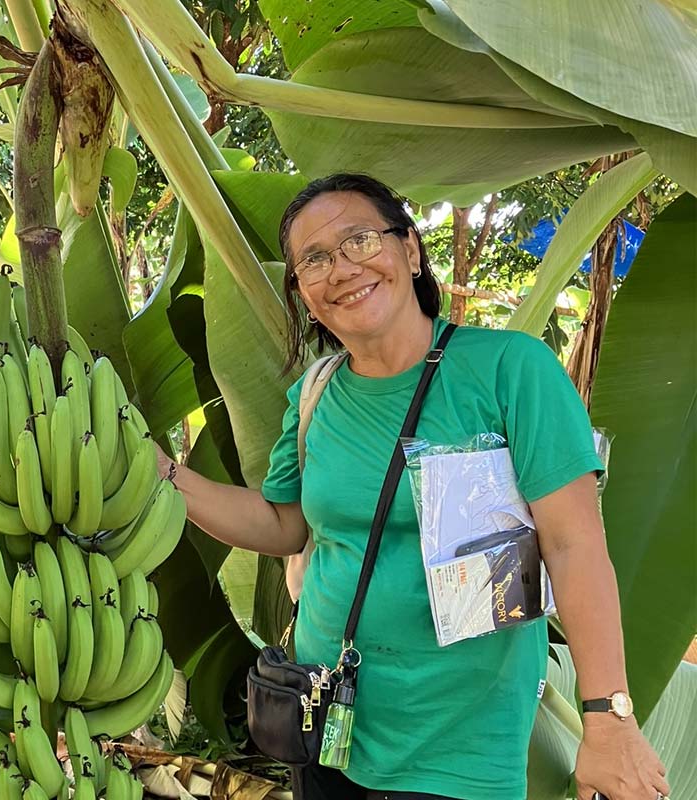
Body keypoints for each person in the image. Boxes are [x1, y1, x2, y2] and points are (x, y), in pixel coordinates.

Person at [156, 174, 669, 800]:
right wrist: (165, 476)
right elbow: (282, 525)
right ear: (302, 293)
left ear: (411, 250)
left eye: (360, 240)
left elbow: (574, 547)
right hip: (326, 718)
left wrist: (609, 721)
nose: (340, 268)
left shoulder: (510, 371)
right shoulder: (316, 395)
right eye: (313, 260)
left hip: (458, 743)